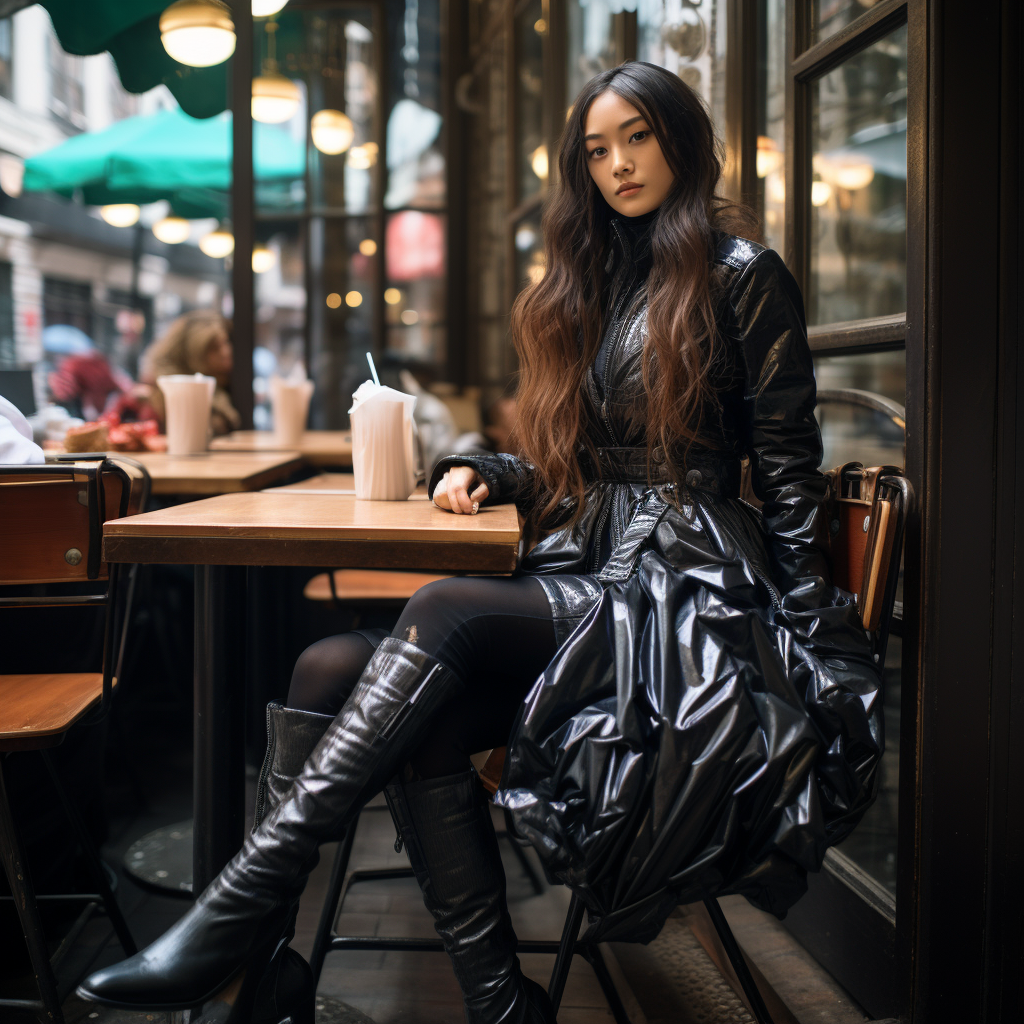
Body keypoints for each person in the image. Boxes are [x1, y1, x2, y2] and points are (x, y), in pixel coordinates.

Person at [78, 63, 882, 1024]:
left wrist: (817, 636)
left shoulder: (744, 274)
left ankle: (235, 921)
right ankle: (456, 999)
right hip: (594, 562)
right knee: (331, 662)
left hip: (686, 588)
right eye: (596, 150)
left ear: (681, 138)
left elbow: (790, 471)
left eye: (636, 138)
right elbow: (592, 465)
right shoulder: (600, 279)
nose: (617, 165)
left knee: (443, 610)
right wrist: (496, 471)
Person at [138, 310, 241, 436]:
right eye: (214, 348)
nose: (226, 352)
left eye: (225, 342)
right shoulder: (164, 398)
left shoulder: (226, 387)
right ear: (193, 355)